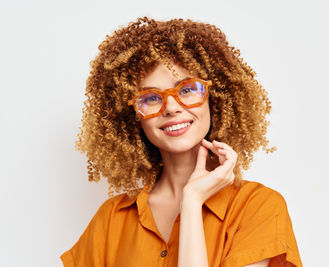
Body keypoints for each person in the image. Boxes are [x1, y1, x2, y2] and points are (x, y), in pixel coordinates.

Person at [60, 17, 303, 267]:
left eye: (187, 90)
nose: (172, 108)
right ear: (133, 117)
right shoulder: (111, 218)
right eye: (151, 97)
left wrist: (192, 201)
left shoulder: (258, 207)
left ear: (215, 98)